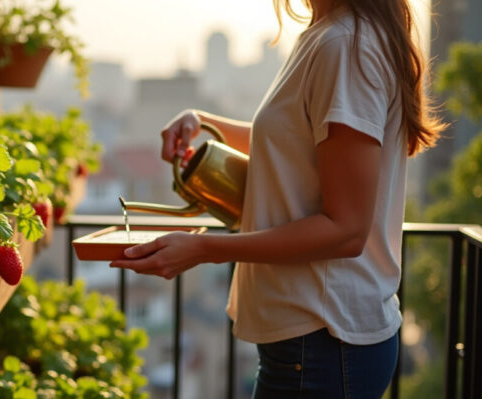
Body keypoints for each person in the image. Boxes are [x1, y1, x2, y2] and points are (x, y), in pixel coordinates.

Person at [109, 0, 446, 397]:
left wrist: (202, 248)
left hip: (322, 340)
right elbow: (292, 142)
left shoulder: (345, 45)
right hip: (315, 339)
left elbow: (346, 231)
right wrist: (205, 122)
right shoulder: (330, 36)